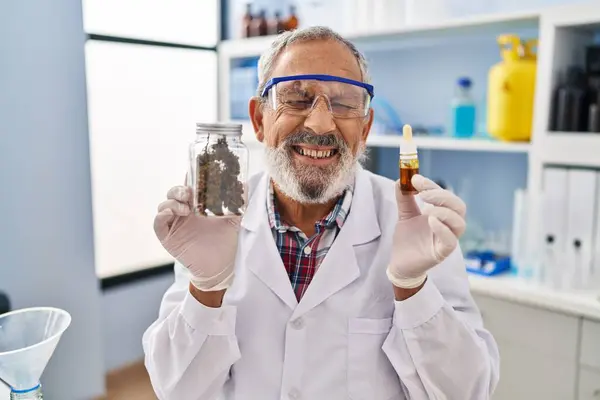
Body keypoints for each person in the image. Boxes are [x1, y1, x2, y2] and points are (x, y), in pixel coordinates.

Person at [143, 26, 500, 400]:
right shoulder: (214, 220)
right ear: (259, 119)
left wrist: (413, 290)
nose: (320, 123)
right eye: (297, 99)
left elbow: (468, 391)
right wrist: (205, 289)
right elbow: (177, 390)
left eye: (344, 103)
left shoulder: (417, 227)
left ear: (365, 128)